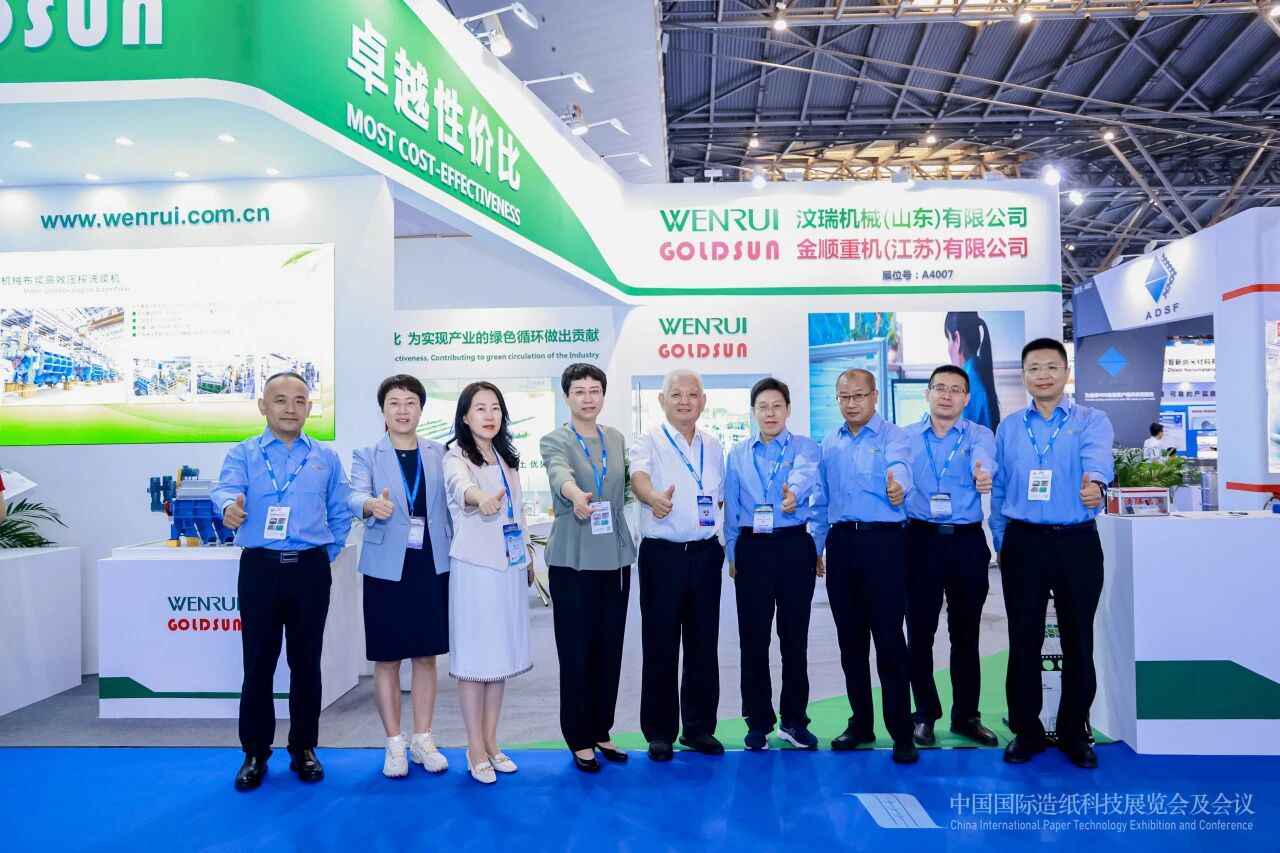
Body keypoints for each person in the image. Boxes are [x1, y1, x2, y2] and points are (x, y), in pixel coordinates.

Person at [210, 371, 354, 792]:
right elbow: (225, 490)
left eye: (299, 400)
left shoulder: (325, 457)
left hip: (310, 570)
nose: (290, 408)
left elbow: (340, 510)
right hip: (261, 568)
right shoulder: (243, 453)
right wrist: (229, 508)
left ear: (309, 407)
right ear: (263, 406)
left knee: (306, 664)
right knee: (258, 663)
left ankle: (303, 747)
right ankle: (255, 753)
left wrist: (325, 553)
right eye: (280, 400)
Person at [990, 338, 1114, 769]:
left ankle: (1074, 732)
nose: (1043, 375)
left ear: (1066, 372)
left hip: (1077, 542)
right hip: (1023, 542)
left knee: (1079, 638)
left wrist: (1095, 484)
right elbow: (1000, 486)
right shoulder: (1009, 427)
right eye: (1034, 368)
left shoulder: (1091, 420)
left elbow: (1098, 459)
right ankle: (1026, 732)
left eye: (1051, 367)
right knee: (1023, 638)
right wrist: (1001, 539)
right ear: (1023, 376)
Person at [811, 368, 918, 764]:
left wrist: (898, 487)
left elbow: (901, 467)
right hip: (841, 544)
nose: (851, 403)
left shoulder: (894, 436)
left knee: (889, 640)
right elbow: (821, 499)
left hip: (884, 542)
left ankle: (902, 732)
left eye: (858, 396)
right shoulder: (829, 442)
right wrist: (816, 546)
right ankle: (861, 724)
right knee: (851, 641)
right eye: (844, 396)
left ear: (875, 396)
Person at [348, 375, 452, 778]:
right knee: (387, 657)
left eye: (410, 402)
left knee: (426, 655)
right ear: (383, 410)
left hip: (430, 563)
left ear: (421, 409)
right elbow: (355, 494)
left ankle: (423, 738)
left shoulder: (440, 453)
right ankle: (394, 742)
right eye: (394, 402)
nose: (403, 410)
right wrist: (370, 504)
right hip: (385, 568)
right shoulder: (367, 455)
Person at [539, 363, 637, 774]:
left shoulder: (615, 438)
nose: (588, 397)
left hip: (614, 557)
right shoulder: (555, 439)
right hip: (573, 560)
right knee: (577, 652)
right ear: (567, 397)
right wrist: (576, 494)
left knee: (609, 650)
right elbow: (558, 473)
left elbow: (625, 486)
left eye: (595, 390)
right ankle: (578, 736)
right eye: (579, 391)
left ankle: (601, 729)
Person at [629, 368, 727, 762]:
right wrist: (653, 497)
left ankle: (699, 728)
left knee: (704, 644)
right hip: (663, 556)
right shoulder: (648, 440)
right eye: (676, 394)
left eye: (692, 394)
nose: (684, 401)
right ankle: (660, 732)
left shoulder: (714, 446)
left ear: (703, 401)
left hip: (705, 555)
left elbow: (718, 498)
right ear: (662, 400)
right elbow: (638, 479)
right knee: (661, 644)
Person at [724, 377, 822, 751]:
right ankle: (758, 722)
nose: (770, 413)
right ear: (753, 412)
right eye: (763, 407)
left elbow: (804, 475)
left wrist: (792, 494)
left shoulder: (805, 447)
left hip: (794, 545)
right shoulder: (738, 454)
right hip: (752, 549)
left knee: (794, 639)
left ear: (788, 409)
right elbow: (732, 505)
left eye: (777, 406)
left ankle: (794, 721)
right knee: (753, 639)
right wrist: (732, 551)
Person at [442, 381, 533, 784]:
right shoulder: (455, 457)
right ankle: (474, 747)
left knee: (498, 660)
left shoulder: (506, 457)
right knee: (475, 661)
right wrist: (481, 498)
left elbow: (519, 513)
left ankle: (492, 742)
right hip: (475, 568)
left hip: (509, 566)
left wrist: (526, 554)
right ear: (465, 416)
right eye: (480, 408)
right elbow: (461, 488)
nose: (489, 415)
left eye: (495, 407)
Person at [904, 365, 999, 749]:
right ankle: (924, 714)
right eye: (939, 388)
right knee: (919, 632)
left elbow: (985, 458)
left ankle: (966, 716)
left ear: (966, 398)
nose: (947, 395)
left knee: (966, 633)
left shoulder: (980, 435)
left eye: (955, 389)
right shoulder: (906, 437)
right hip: (920, 541)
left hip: (966, 542)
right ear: (927, 393)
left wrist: (984, 474)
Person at [945, 311, 1000, 431]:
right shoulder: (980, 374)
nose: (948, 347)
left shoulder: (964, 388)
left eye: (948, 339)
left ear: (957, 339)